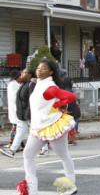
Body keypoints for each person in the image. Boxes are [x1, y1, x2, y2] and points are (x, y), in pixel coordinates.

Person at [19, 59, 77, 195]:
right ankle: (31, 189)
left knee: (63, 155)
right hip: (38, 126)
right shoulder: (38, 84)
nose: (39, 70)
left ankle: (70, 186)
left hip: (52, 125)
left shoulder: (50, 87)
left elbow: (71, 96)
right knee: (27, 154)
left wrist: (57, 105)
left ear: (51, 72)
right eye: (38, 68)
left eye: (44, 68)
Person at [0, 69, 34, 158]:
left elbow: (30, 100)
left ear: (30, 75)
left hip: (28, 114)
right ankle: (12, 150)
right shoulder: (21, 85)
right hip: (21, 114)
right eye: (21, 73)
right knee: (20, 131)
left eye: (24, 73)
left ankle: (44, 148)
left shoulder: (30, 85)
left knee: (36, 132)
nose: (21, 75)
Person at [5, 70, 22, 148]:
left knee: (17, 127)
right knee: (16, 127)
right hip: (16, 109)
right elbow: (16, 98)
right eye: (20, 75)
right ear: (17, 77)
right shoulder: (14, 85)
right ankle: (12, 143)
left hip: (14, 109)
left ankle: (18, 143)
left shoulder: (12, 84)